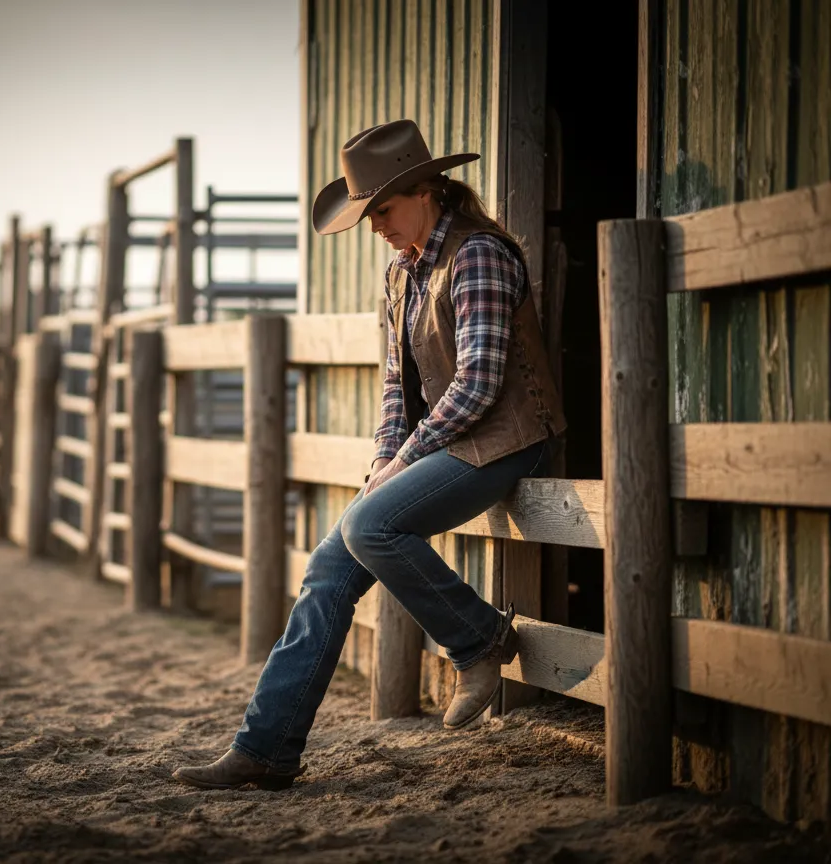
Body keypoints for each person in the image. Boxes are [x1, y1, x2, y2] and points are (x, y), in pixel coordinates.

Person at [172, 119, 567, 791]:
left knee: (368, 526)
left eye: (383, 209)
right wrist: (385, 460)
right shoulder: (401, 272)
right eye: (369, 214)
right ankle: (266, 746)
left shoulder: (477, 255)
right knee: (329, 566)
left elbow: (479, 383)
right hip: (448, 442)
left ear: (426, 191)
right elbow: (396, 385)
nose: (376, 225)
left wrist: (405, 460)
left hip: (510, 440)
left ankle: (479, 640)